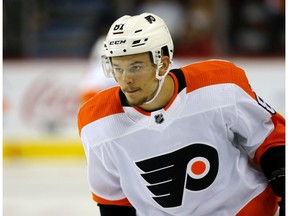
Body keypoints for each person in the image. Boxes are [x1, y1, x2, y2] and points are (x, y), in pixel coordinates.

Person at [78, 13, 285, 216]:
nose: (125, 80)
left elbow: (271, 141)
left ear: (164, 63)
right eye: (118, 68)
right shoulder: (96, 122)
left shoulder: (219, 86)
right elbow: (113, 203)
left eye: (136, 67)